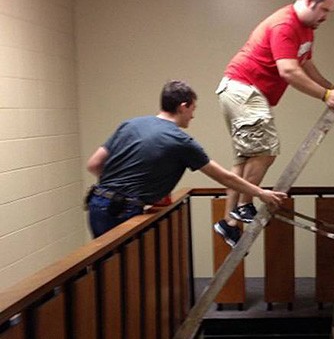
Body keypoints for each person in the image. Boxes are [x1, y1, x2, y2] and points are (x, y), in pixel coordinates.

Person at [213, 0, 334, 246]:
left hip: (240, 90)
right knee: (266, 150)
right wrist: (325, 96)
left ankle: (229, 223)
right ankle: (244, 205)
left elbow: (305, 64)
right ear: (309, 1)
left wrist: (328, 87)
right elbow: (289, 71)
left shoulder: (307, 30)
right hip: (243, 88)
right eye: (324, 10)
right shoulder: (285, 24)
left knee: (245, 159)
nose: (326, 17)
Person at [85, 80, 286, 240]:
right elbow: (224, 177)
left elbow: (94, 164)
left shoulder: (130, 124)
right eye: (192, 109)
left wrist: (117, 188)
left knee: (105, 267)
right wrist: (260, 193)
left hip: (97, 203)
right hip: (125, 210)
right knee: (127, 270)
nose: (193, 116)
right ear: (183, 107)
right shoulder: (180, 141)